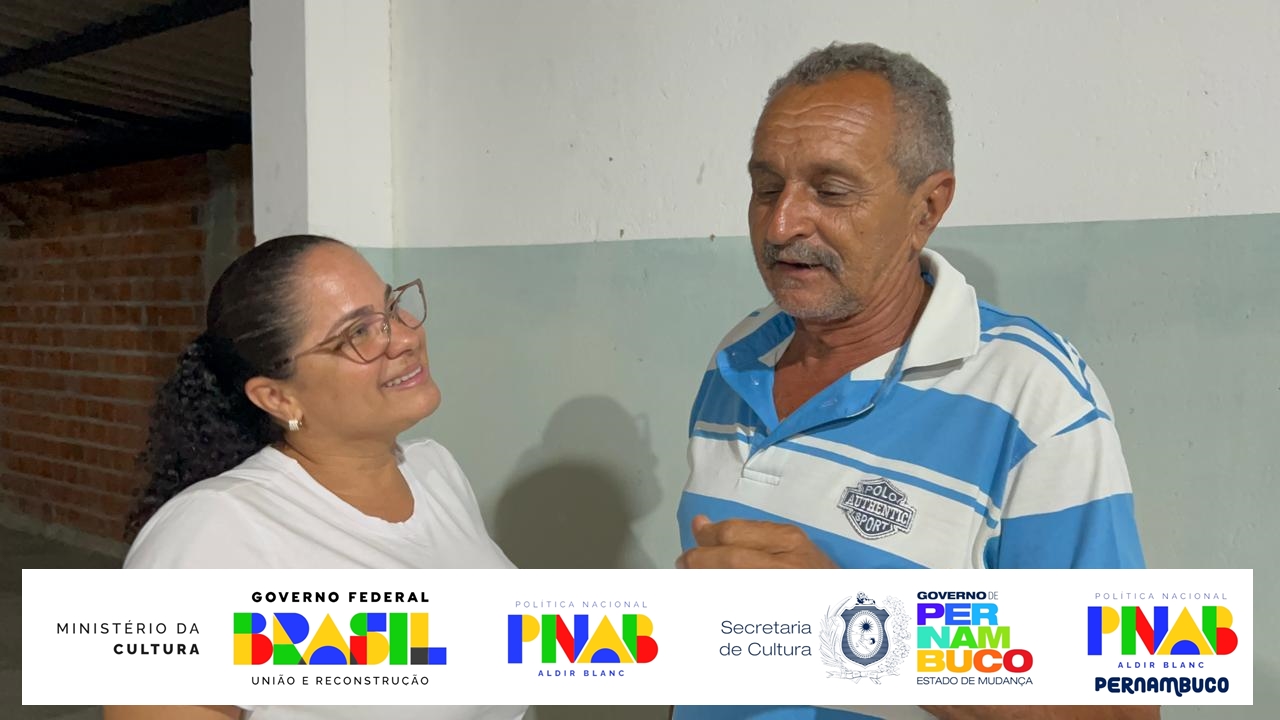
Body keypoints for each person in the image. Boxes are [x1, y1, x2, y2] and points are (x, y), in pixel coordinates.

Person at [674, 43, 1155, 720]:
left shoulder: (1031, 394)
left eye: (831, 191)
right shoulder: (740, 355)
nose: (782, 224)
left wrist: (849, 624)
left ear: (927, 207)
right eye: (766, 186)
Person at [106, 235, 524, 720]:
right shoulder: (214, 534)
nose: (406, 337)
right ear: (278, 398)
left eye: (391, 307)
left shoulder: (435, 472)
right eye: (358, 333)